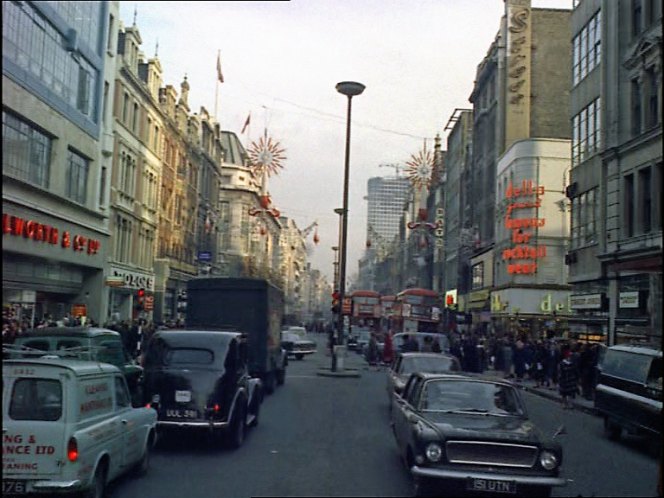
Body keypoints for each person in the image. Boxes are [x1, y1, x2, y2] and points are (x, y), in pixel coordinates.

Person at [558, 345, 579, 409]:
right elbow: (560, 371)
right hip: (565, 377)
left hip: (569, 377)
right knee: (565, 392)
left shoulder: (572, 359)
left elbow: (575, 369)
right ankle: (566, 404)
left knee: (569, 392)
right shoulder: (562, 361)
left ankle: (569, 404)